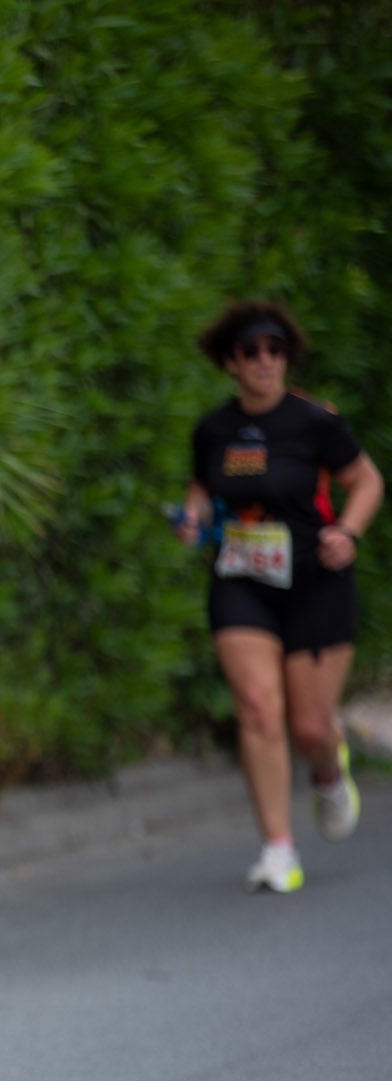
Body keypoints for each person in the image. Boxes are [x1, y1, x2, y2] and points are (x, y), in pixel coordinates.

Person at [178, 301, 382, 892]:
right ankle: (278, 849)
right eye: (251, 351)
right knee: (260, 711)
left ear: (287, 358)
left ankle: (327, 771)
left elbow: (365, 481)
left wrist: (349, 531)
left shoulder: (316, 422)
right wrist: (191, 519)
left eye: (276, 350)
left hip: (316, 582)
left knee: (312, 727)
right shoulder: (213, 430)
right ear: (231, 362)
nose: (265, 360)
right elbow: (199, 490)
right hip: (242, 583)